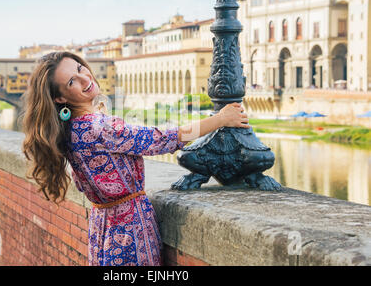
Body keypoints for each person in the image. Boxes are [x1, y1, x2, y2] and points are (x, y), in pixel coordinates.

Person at [21, 51, 250, 266]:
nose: (84, 78)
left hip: (101, 230)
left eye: (80, 68)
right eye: (72, 81)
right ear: (60, 98)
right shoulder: (101, 127)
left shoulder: (69, 129)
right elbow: (165, 139)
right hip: (130, 232)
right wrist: (220, 119)